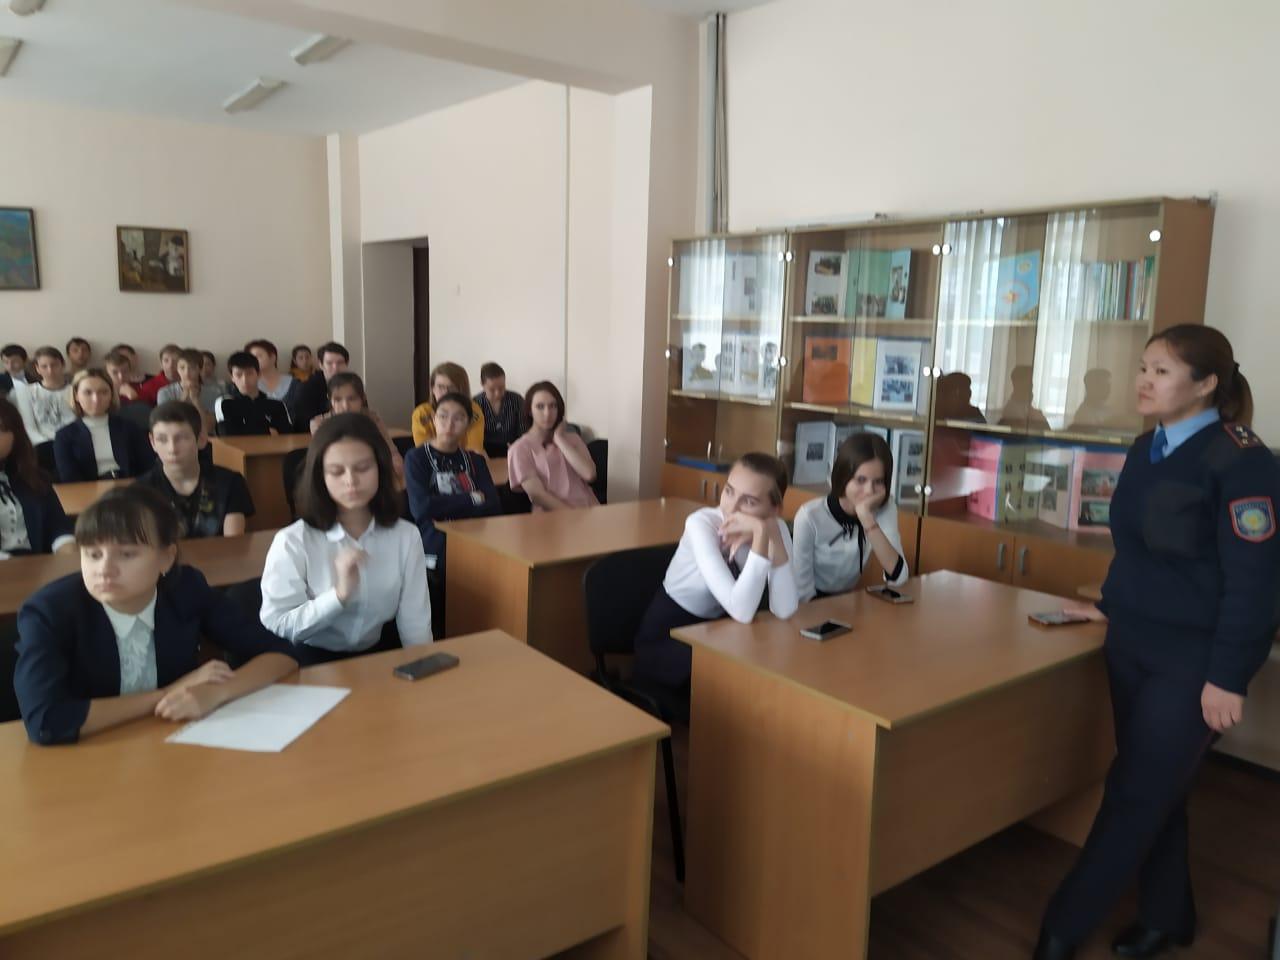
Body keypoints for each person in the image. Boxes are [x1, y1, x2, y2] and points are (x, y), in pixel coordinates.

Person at [1034, 326, 1280, 960]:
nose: (1143, 381)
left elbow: (1257, 584)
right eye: (1143, 368)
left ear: (1206, 384)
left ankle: (1061, 930)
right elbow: (1137, 551)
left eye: (1161, 371)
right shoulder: (1148, 447)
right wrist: (1107, 606)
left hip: (1194, 661)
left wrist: (1228, 676)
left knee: (1135, 791)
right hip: (1132, 645)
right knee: (1157, 788)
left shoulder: (1243, 461)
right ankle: (1170, 917)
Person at [13, 485, 298, 746]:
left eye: (126, 554)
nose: (104, 570)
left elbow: (281, 654)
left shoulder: (185, 588)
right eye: (93, 554)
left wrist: (215, 693)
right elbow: (46, 722)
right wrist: (166, 695)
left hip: (173, 743)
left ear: (166, 558)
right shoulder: (49, 611)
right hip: (89, 755)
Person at [259, 413, 432, 665]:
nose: (351, 481)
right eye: (336, 471)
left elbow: (415, 622)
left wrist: (423, 669)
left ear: (380, 468)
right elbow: (279, 621)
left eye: (363, 468)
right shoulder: (293, 541)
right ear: (320, 476)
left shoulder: (405, 536)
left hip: (378, 656)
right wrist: (338, 596)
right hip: (310, 660)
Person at [632, 452, 799, 693]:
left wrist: (767, 533)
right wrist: (762, 533)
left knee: (762, 672)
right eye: (729, 491)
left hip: (721, 631)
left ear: (775, 509)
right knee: (736, 679)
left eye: (749, 501)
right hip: (670, 636)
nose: (731, 507)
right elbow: (742, 611)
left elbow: (785, 609)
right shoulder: (701, 524)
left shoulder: (774, 527)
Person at [404, 391, 500, 631]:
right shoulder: (417, 458)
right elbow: (421, 508)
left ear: (467, 424)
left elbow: (494, 505)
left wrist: (443, 503)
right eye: (443, 416)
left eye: (458, 418)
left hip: (475, 538)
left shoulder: (475, 461)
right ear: (433, 420)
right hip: (435, 539)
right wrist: (472, 498)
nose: (449, 424)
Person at [792, 432, 908, 601]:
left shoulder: (884, 508)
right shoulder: (810, 516)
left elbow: (899, 577)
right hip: (807, 602)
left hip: (847, 599)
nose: (869, 491)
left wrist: (867, 519)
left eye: (878, 481)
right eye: (860, 480)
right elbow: (803, 594)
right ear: (843, 477)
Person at [134, 401, 254, 538]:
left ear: (201, 439)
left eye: (181, 438)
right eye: (162, 439)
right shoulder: (140, 491)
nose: (172, 449)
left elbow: (233, 542)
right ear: (152, 442)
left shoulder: (230, 482)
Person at [0, 397, 75, 558]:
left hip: (38, 562)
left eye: (2, 429)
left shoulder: (32, 477)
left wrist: (68, 550)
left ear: (15, 434)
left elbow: (58, 526)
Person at [507, 381, 598, 511]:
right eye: (540, 406)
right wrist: (572, 515)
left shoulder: (573, 439)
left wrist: (560, 439)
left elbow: (589, 474)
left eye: (553, 406)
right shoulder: (519, 449)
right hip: (553, 515)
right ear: (530, 410)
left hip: (589, 509)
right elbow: (538, 495)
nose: (547, 413)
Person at [53, 369, 155, 482]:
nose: (96, 399)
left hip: (129, 486)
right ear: (76, 395)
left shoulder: (130, 428)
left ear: (111, 394)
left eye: (103, 392)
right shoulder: (64, 436)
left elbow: (148, 467)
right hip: (88, 488)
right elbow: (69, 478)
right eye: (88, 393)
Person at [309, 372, 404, 486]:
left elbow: (391, 449)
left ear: (362, 398)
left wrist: (395, 459)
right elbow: (321, 460)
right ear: (330, 399)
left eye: (352, 399)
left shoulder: (372, 418)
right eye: (338, 400)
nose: (345, 406)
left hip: (370, 471)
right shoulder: (319, 423)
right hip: (336, 476)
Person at [11, 345, 76, 473]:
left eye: (54, 365)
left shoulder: (74, 390)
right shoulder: (26, 391)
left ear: (62, 365)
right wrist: (49, 444)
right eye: (44, 366)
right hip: (41, 446)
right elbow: (29, 427)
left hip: (72, 443)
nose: (50, 370)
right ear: (37, 368)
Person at [409, 362, 486, 451]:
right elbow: (424, 451)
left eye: (452, 388)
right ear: (433, 388)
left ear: (462, 390)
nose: (445, 393)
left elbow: (474, 451)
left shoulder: (474, 411)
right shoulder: (422, 413)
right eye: (440, 387)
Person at [214, 351, 292, 436]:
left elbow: (287, 434)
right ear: (232, 377)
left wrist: (244, 429)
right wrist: (268, 431)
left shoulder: (277, 404)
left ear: (258, 374)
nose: (245, 380)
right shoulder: (225, 403)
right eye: (239, 375)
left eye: (249, 374)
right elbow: (226, 434)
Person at [157, 349, 223, 430]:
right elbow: (167, 424)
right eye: (182, 368)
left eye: (192, 368)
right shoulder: (164, 392)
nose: (187, 372)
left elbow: (209, 427)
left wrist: (196, 400)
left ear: (200, 369)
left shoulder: (214, 392)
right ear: (177, 369)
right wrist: (183, 397)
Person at [293, 341, 348, 430]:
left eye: (340, 363)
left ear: (346, 364)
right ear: (321, 365)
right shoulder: (306, 388)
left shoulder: (353, 385)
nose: (335, 368)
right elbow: (305, 424)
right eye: (329, 363)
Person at [474, 361, 524, 458]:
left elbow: (523, 430)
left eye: (501, 388)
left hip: (514, 448)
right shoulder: (475, 403)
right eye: (492, 389)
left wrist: (518, 448)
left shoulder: (516, 400)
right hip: (483, 451)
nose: (497, 393)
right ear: (482, 384)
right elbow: (474, 436)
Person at [245, 338, 301, 419]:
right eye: (251, 357)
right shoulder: (247, 385)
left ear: (272, 357)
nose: (254, 360)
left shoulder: (295, 384)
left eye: (259, 356)